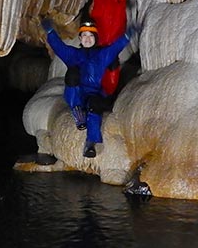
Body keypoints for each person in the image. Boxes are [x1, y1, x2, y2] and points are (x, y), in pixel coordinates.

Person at [66, 0, 148, 96]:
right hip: (100, 30)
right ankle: (90, 89)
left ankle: (108, 93)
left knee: (112, 62)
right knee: (96, 60)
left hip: (116, 30)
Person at [42, 18, 131, 158]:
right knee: (72, 73)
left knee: (94, 105)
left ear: (95, 38)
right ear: (80, 38)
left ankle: (90, 143)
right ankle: (77, 112)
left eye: (91, 36)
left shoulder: (101, 55)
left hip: (94, 93)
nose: (87, 39)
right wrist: (50, 32)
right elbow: (59, 47)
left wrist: (126, 37)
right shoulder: (73, 55)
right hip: (76, 93)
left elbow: (115, 48)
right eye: (84, 36)